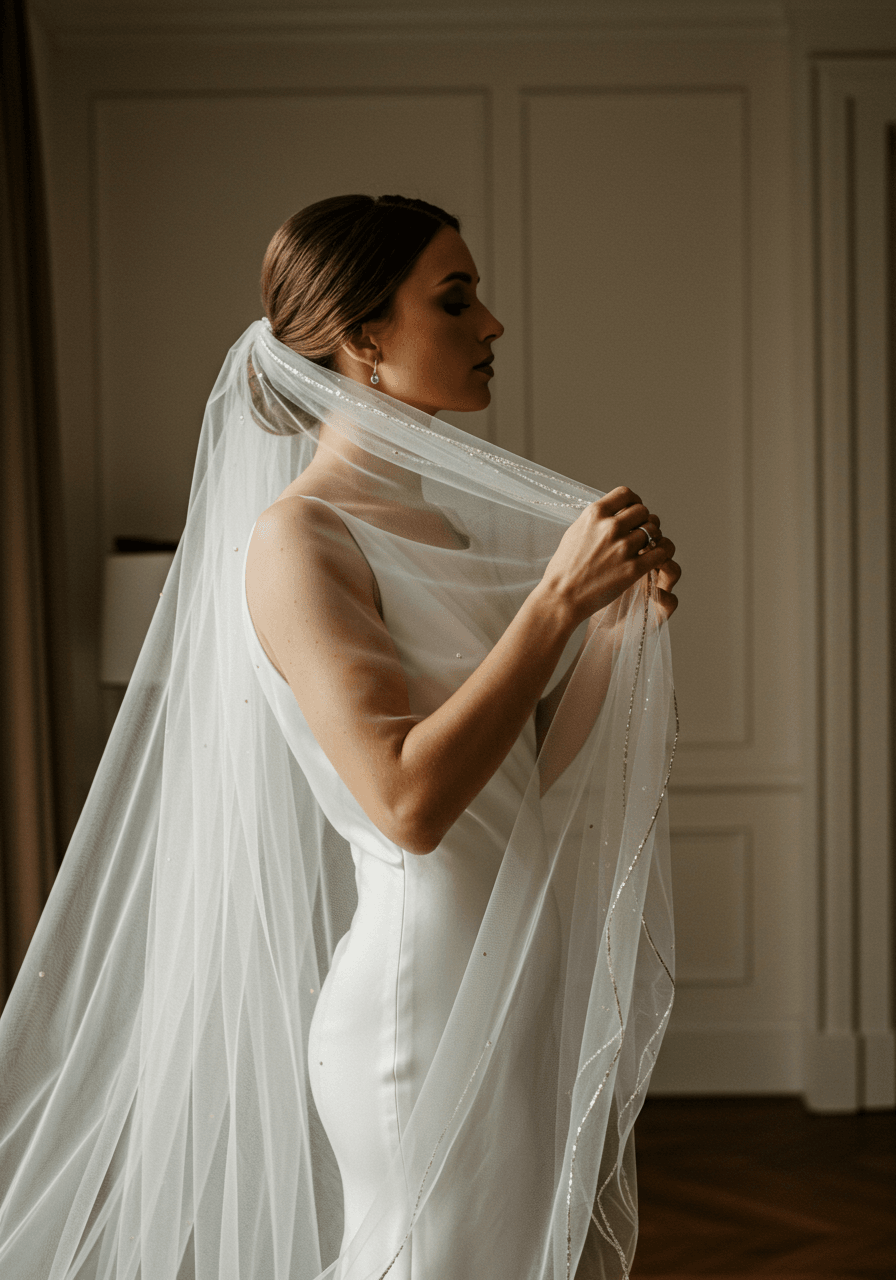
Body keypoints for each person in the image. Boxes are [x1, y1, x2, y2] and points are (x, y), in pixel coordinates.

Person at [0, 194, 680, 1280]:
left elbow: (524, 782)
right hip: (418, 1005)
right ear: (363, 338)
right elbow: (406, 803)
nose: (491, 324)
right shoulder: (297, 539)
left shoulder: (440, 526)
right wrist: (551, 604)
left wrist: (609, 625)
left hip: (512, 979)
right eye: (454, 299)